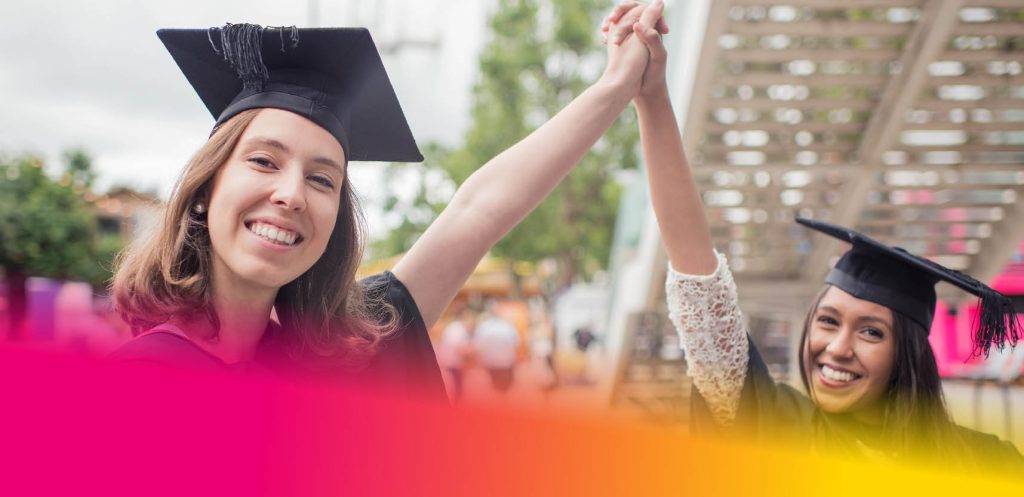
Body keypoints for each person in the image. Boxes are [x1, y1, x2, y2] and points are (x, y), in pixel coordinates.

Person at [109, 16, 661, 401]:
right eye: (263, 161)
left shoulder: (337, 357)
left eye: (323, 179)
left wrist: (616, 87)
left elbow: (479, 213)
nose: (292, 193)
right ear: (205, 188)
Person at [604, 0, 1023, 472]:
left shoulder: (985, 462)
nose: (837, 347)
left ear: (906, 353)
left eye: (870, 331)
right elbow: (700, 289)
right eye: (827, 321)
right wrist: (653, 97)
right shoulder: (778, 426)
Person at [437, 307, 477, 403]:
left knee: (458, 389)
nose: (472, 321)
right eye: (470, 317)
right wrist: (473, 349)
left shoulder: (457, 328)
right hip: (452, 363)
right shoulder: (456, 329)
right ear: (463, 316)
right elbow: (458, 348)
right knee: (456, 390)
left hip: (454, 363)